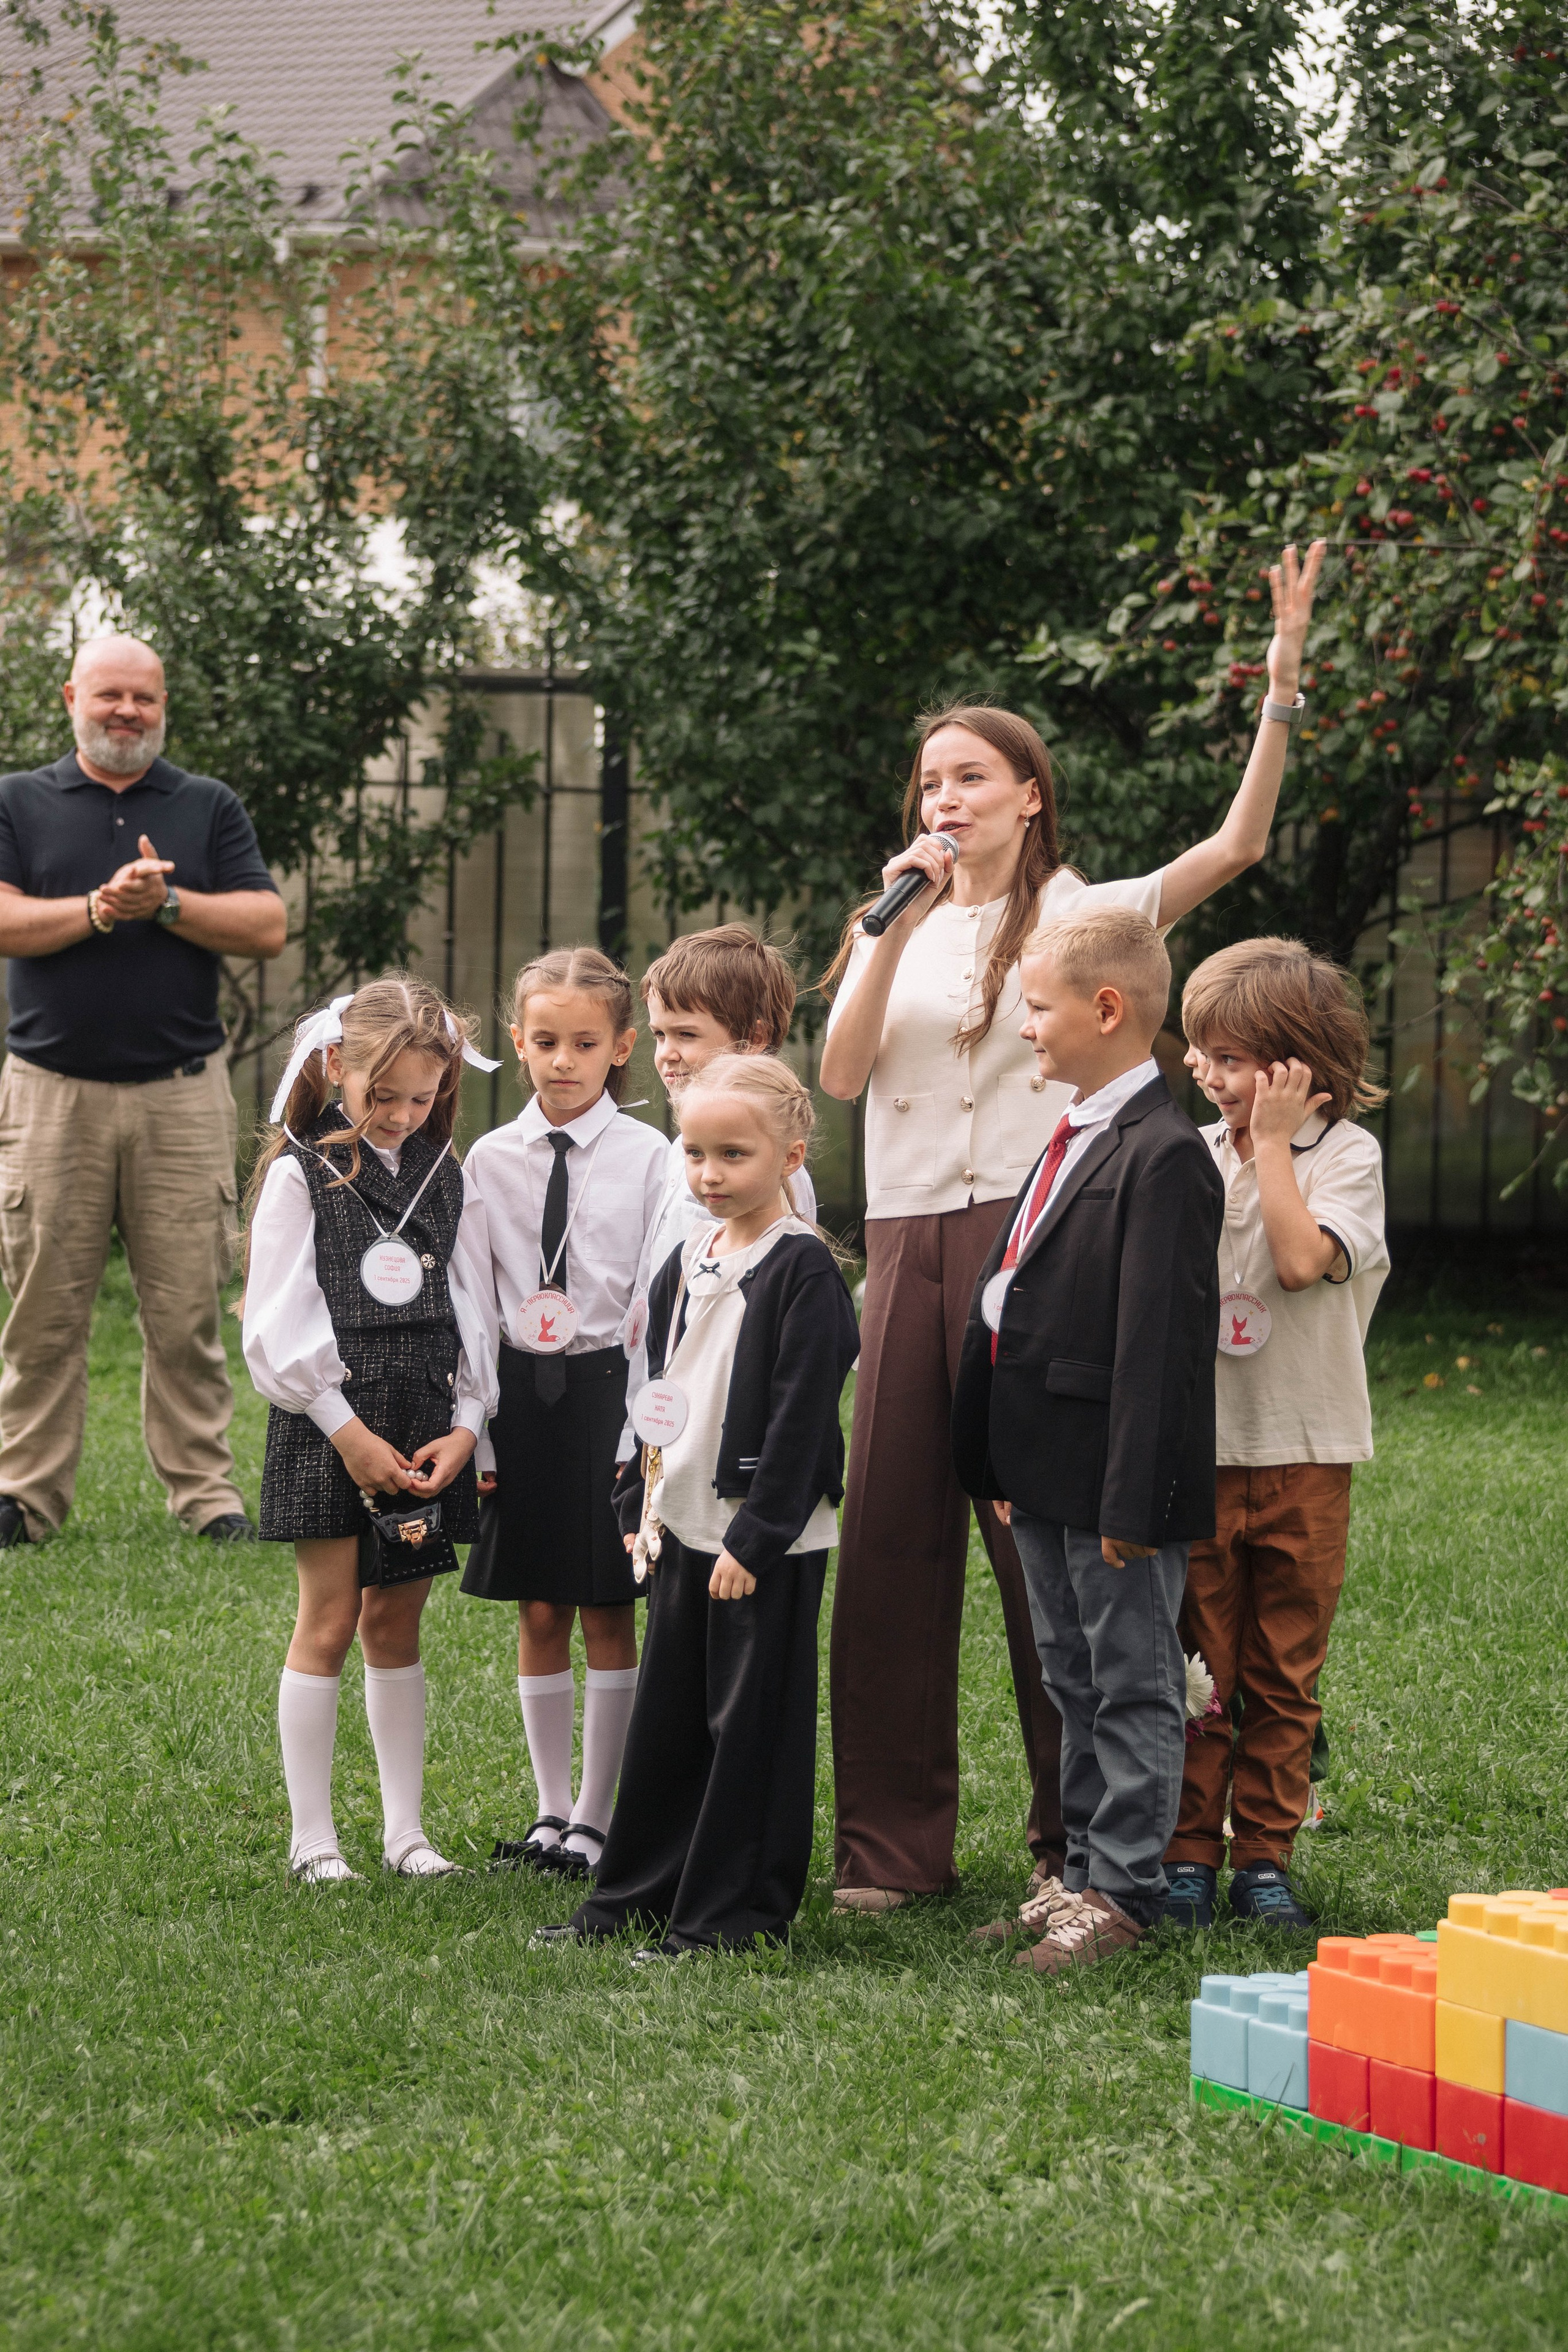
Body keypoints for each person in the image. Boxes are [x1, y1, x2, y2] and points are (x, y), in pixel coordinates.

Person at [819, 540, 1327, 1914]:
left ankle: (1078, 1845)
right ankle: (888, 1851)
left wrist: (1276, 691)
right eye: (928, 781)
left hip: (1042, 1235)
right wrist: (883, 928)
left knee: (1042, 1546)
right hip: (911, 1235)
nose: (944, 796)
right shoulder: (895, 918)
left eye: (968, 776)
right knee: (890, 1548)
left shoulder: (1088, 913)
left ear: (1027, 794)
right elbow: (842, 1075)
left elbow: (1236, 847)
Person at [537, 1056, 860, 1959]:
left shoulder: (802, 1270)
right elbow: (665, 1391)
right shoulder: (689, 1257)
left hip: (761, 1542)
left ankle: (732, 1916)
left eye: (734, 1155)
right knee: (671, 1722)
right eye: (694, 1154)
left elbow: (803, 1421)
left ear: (791, 1155)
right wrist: (636, 1499)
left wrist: (758, 1536)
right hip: (682, 1528)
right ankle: (636, 1896)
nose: (710, 1175)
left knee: (749, 1729)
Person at [951, 908, 1223, 1971]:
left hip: (1113, 1484)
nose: (1025, 1028)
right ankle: (1069, 1874)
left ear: (1106, 1009)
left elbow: (1159, 1349)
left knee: (1132, 1676)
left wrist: (1133, 1503)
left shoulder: (1163, 1156)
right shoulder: (1075, 1134)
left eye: (1037, 1007)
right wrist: (1002, 1460)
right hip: (1039, 1465)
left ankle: (1121, 1893)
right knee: (1067, 1675)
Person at [0, 634, 285, 1545]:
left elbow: (267, 923)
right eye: (110, 696)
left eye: (145, 699)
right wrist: (95, 908)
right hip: (50, 1093)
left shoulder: (205, 806)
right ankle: (25, 1498)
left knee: (188, 1307)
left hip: (181, 1096)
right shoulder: (19, 800)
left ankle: (207, 1499)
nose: (127, 713)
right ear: (72, 697)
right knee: (41, 1309)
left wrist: (162, 902)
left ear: (164, 706)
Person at [243, 974, 499, 1882]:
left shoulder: (448, 1174)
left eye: (420, 1097)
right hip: (331, 1425)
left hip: (427, 1422)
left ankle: (405, 1834)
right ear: (335, 1067)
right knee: (329, 1618)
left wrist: (469, 1423)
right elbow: (276, 1320)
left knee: (397, 1623)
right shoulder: (298, 1173)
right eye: (379, 1094)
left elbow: (476, 1309)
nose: (398, 1113)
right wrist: (343, 1428)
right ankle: (314, 1841)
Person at [1163, 938, 1389, 1930]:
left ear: (1297, 1064)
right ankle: (1185, 1857)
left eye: (1230, 1057)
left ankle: (1263, 1858)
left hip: (1306, 1451)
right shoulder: (1191, 1153)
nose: (1203, 1072)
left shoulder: (1348, 1156)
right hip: (1204, 1453)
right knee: (1200, 1671)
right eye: (1200, 1052)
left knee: (1283, 1672)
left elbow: (1300, 1262)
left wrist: (1271, 1147)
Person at [460, 946, 668, 1882]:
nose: (563, 1061)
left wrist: (639, 1430)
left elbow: (657, 1305)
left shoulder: (652, 1157)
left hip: (606, 1393)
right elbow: (473, 1293)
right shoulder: (490, 1161)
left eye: (586, 1043)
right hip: (519, 1395)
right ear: (517, 1042)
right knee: (539, 1603)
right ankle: (548, 1810)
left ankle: (597, 1815)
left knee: (604, 1604)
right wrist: (481, 1421)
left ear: (622, 1046)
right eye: (544, 1041)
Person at [630, 924, 818, 1370]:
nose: (666, 1054)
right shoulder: (684, 1146)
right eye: (659, 1035)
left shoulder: (777, 1170)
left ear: (753, 1038)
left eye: (686, 1035)